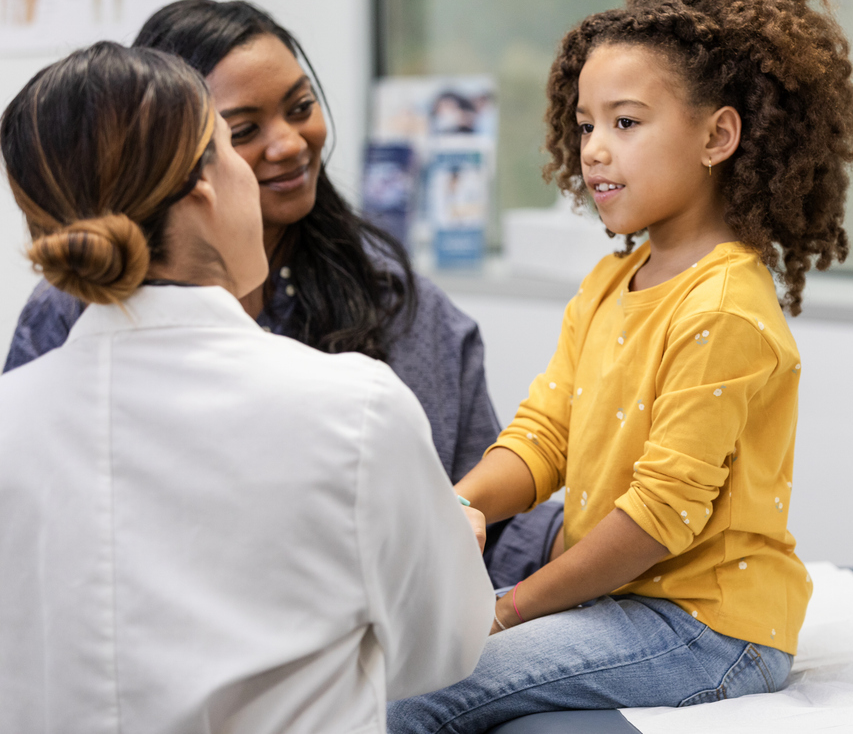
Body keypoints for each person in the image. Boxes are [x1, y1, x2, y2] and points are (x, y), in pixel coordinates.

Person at [388, 0, 853, 733]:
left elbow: (654, 520)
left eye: (626, 122)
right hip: (631, 604)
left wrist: (509, 609)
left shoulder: (726, 309)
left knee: (418, 699)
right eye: (585, 127)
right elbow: (546, 435)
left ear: (718, 136)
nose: (596, 151)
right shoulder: (612, 282)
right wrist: (461, 505)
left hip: (711, 631)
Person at [0, 42, 495, 733]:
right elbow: (442, 653)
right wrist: (452, 542)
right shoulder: (354, 410)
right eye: (234, 142)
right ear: (204, 183)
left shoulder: (12, 423)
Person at [1, 0, 563, 588]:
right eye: (240, 132)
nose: (290, 144)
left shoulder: (398, 303)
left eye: (301, 107)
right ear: (172, 165)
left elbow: (484, 530)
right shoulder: (67, 322)